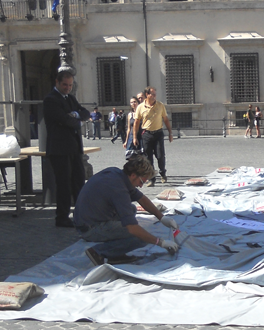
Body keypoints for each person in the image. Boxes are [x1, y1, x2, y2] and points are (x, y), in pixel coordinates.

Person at [74, 155, 180, 266]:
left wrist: (161, 217)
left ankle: (114, 250)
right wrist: (160, 242)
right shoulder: (119, 190)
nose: (141, 186)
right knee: (140, 237)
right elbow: (132, 228)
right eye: (142, 182)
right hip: (89, 228)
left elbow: (141, 198)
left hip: (87, 218)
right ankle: (98, 252)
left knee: (132, 209)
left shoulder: (117, 173)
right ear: (133, 175)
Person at [43, 68, 91, 227]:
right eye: (65, 85)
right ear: (57, 82)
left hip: (74, 147)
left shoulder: (70, 98)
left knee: (78, 181)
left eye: (70, 85)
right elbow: (63, 120)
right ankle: (62, 216)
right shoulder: (51, 100)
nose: (68, 88)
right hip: (59, 149)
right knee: (64, 184)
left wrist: (76, 115)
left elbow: (85, 113)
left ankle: (82, 213)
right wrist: (77, 121)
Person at [132, 86, 173, 186]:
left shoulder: (160, 105)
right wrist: (134, 137)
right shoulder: (140, 107)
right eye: (152, 94)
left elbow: (166, 119)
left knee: (160, 156)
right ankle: (151, 178)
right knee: (148, 158)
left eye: (155, 94)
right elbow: (136, 122)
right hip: (146, 134)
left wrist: (170, 133)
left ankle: (162, 173)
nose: (155, 96)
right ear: (147, 95)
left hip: (158, 133)